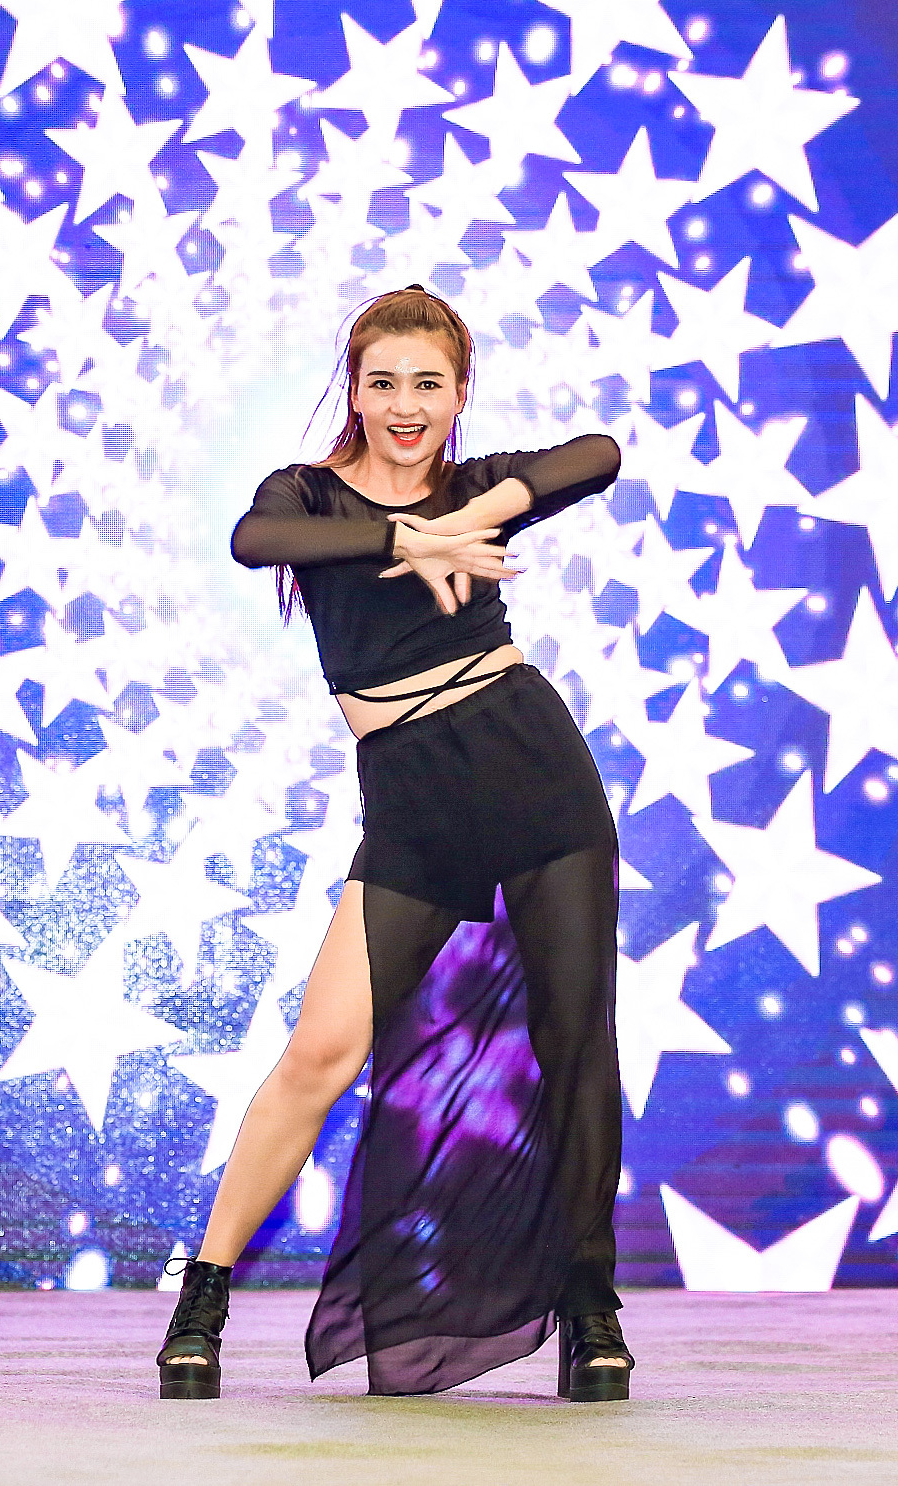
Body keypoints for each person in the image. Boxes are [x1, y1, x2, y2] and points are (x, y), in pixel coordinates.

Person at [155, 285, 630, 1400]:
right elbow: (253, 540)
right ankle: (202, 1300)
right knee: (320, 1053)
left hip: (532, 772)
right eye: (383, 383)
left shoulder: (476, 487)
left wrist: (477, 514)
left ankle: (590, 1310)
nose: (405, 405)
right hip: (414, 802)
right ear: (355, 393)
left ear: (459, 394)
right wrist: (406, 536)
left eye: (428, 383)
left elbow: (597, 455)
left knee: (575, 1044)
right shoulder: (309, 496)